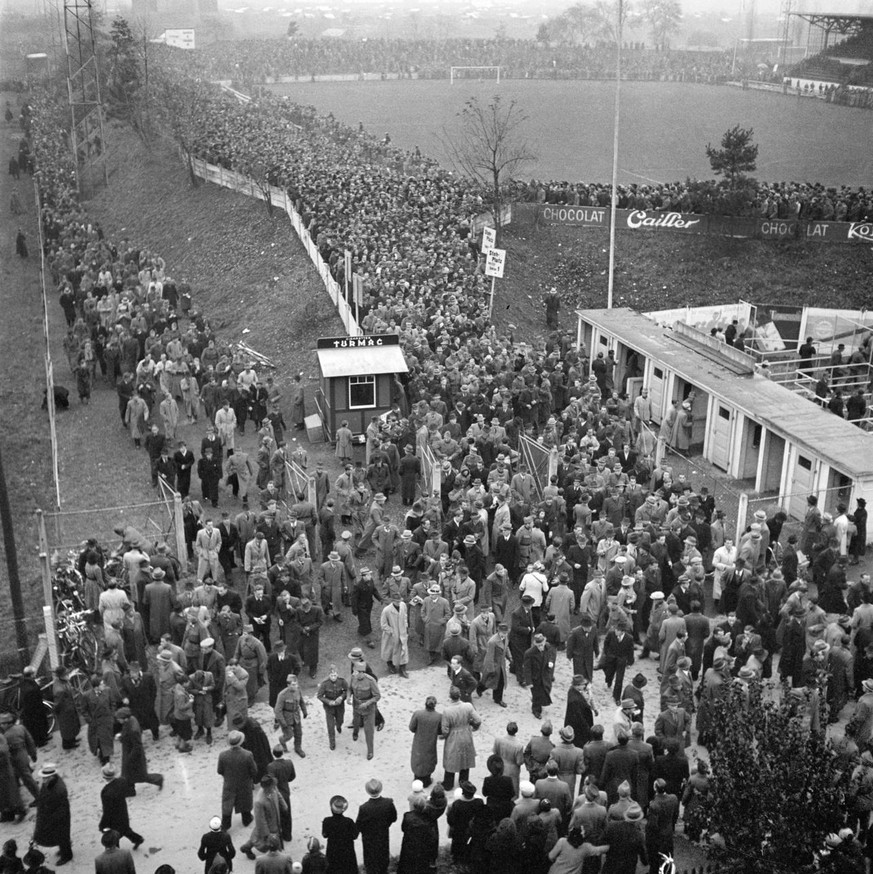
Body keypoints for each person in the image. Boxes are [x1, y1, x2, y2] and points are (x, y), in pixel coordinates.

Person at [441, 686, 482, 790]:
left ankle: (448, 783)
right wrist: (471, 725)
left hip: (453, 736)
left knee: (451, 758)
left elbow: (445, 730)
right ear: (460, 695)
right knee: (465, 757)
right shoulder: (468, 706)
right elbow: (478, 720)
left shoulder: (447, 711)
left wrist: (444, 735)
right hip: (466, 734)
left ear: (450, 697)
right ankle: (463, 782)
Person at [33, 763, 72, 866]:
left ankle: (66, 855)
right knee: (60, 836)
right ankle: (64, 849)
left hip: (59, 817)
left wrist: (50, 819)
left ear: (52, 777)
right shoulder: (50, 783)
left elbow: (61, 810)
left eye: (46, 778)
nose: (43, 780)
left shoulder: (59, 790)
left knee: (62, 835)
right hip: (52, 813)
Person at [116, 708, 163, 793]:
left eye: (119, 719)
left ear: (125, 718)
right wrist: (121, 737)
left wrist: (129, 758)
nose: (118, 721)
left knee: (142, 776)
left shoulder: (133, 729)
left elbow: (137, 745)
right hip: (130, 752)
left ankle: (158, 779)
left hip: (134, 756)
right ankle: (130, 790)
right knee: (127, 775)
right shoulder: (131, 720)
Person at [218, 730, 257, 830]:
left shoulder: (223, 755)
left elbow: (220, 770)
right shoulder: (248, 755)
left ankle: (226, 824)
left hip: (229, 783)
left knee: (227, 803)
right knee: (245, 800)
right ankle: (246, 819)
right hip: (244, 783)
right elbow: (254, 771)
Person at [241, 774, 287, 860]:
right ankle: (277, 858)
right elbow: (260, 820)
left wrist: (283, 805)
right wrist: (267, 835)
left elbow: (278, 794)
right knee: (270, 841)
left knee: (257, 836)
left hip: (274, 817)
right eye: (272, 786)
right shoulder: (259, 801)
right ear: (267, 787)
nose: (274, 787)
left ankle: (246, 847)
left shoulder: (272, 787)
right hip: (269, 824)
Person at [356, 779, 397, 874]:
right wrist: (386, 824)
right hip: (383, 834)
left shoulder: (364, 808)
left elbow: (359, 825)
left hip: (369, 838)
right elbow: (394, 818)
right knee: (383, 855)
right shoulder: (388, 803)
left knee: (370, 860)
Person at [99, 764, 143, 850]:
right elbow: (130, 791)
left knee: (114, 836)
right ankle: (137, 839)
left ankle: (115, 851)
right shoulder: (121, 781)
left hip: (113, 818)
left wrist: (103, 824)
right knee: (125, 829)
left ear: (104, 777)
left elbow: (107, 811)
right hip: (122, 810)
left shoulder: (106, 792)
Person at [349, 659, 381, 760]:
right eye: (354, 671)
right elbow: (350, 688)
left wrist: (367, 703)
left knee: (369, 730)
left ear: (362, 672)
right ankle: (355, 733)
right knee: (356, 721)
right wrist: (348, 697)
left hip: (368, 709)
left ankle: (370, 751)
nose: (354, 674)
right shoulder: (353, 677)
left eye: (356, 672)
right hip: (356, 705)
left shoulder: (371, 681)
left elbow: (377, 696)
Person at [409, 696, 442, 787]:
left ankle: (417, 778)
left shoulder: (418, 714)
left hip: (419, 741)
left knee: (417, 758)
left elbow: (411, 728)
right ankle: (427, 780)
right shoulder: (438, 716)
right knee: (429, 759)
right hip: (431, 742)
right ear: (434, 705)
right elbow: (440, 731)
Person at [322, 795, 359, 874]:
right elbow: (355, 836)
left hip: (333, 851)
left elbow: (325, 835)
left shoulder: (327, 821)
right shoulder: (349, 822)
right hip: (347, 852)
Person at [267, 745, 296, 843]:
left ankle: (277, 836)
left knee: (276, 815)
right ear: (282, 753)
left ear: (273, 754)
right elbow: (292, 777)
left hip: (276, 794)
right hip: (285, 791)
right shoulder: (289, 763)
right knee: (287, 814)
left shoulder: (271, 766)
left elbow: (270, 782)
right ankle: (288, 835)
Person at [524, 632, 557, 719]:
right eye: (538, 645)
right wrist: (529, 682)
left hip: (546, 674)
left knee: (547, 689)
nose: (541, 647)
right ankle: (536, 710)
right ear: (535, 644)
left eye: (542, 644)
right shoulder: (529, 653)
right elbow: (527, 669)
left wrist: (550, 661)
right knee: (536, 694)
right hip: (535, 677)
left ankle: (541, 701)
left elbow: (552, 655)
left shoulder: (548, 646)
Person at [275, 674, 307, 757]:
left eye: (296, 684)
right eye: (293, 684)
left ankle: (298, 748)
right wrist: (283, 722)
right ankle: (282, 740)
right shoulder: (282, 695)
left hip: (296, 716)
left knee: (299, 733)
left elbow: (301, 702)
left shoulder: (298, 690)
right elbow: (277, 711)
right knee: (289, 735)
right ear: (288, 685)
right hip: (286, 718)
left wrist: (304, 711)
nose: (295, 686)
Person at [316, 665, 348, 751]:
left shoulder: (342, 681)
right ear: (328, 675)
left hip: (339, 706)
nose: (333, 677)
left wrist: (341, 697)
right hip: (329, 708)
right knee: (330, 726)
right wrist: (328, 702)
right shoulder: (324, 684)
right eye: (331, 675)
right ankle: (332, 742)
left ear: (338, 674)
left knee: (340, 720)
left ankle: (338, 725)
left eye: (335, 675)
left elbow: (346, 691)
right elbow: (319, 696)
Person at [380, 594, 410, 677]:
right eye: (396, 601)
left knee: (403, 650)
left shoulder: (403, 605)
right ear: (392, 601)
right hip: (391, 636)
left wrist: (406, 625)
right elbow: (383, 624)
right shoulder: (387, 610)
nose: (398, 603)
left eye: (399, 601)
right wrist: (391, 631)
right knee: (390, 651)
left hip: (402, 632)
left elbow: (405, 616)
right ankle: (390, 665)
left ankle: (402, 669)